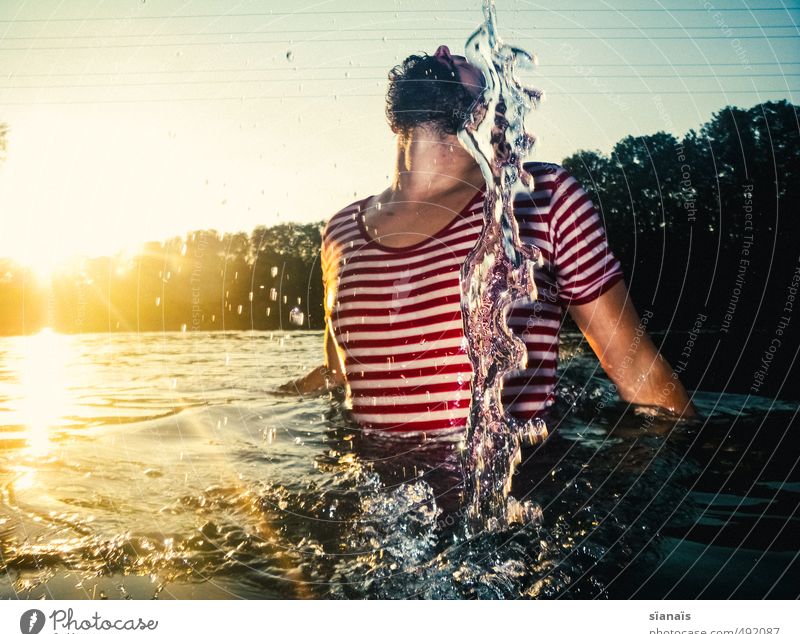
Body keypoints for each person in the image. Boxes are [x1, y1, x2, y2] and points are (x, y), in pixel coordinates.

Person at [281, 45, 696, 437]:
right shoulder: (339, 231)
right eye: (446, 54)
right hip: (374, 499)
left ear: (492, 114)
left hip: (511, 497)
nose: (442, 51)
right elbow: (338, 373)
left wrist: (705, 471)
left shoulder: (538, 197)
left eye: (468, 66)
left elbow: (635, 367)